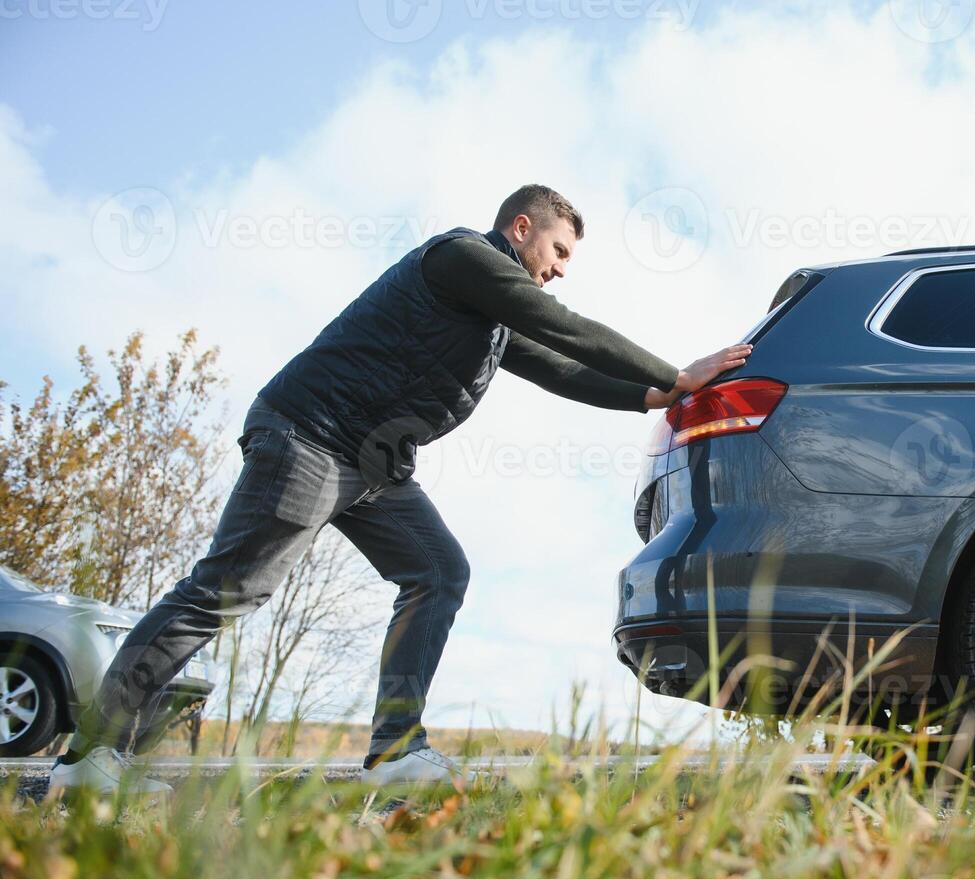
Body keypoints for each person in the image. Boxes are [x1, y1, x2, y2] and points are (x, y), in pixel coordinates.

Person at [50, 184, 751, 795]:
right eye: (559, 251)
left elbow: (557, 367)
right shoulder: (461, 258)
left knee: (437, 571)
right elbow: (559, 328)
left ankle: (393, 750)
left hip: (373, 461)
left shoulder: (494, 316)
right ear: (520, 229)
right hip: (310, 433)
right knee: (229, 588)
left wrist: (655, 394)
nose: (561, 271)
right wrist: (677, 370)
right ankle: (92, 752)